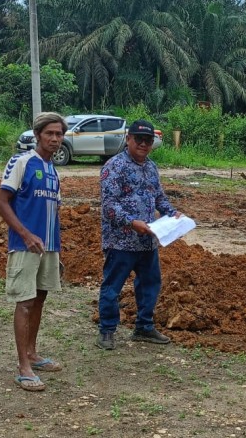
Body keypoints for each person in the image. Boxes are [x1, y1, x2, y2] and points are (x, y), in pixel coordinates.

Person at [0, 112, 68, 392]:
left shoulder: (54, 170)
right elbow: (2, 203)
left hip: (49, 247)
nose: (55, 139)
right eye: (49, 133)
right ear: (38, 135)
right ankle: (23, 368)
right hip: (24, 246)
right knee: (24, 302)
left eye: (59, 134)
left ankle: (33, 355)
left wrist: (58, 249)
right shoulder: (22, 162)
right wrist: (25, 235)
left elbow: (54, 211)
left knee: (39, 299)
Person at [97, 119, 183, 350]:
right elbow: (109, 206)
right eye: (139, 139)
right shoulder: (114, 167)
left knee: (150, 284)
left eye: (148, 141)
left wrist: (173, 214)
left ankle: (144, 327)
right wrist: (131, 222)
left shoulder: (151, 167)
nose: (144, 144)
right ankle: (107, 330)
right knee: (112, 287)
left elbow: (159, 198)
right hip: (121, 242)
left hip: (147, 241)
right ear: (128, 139)